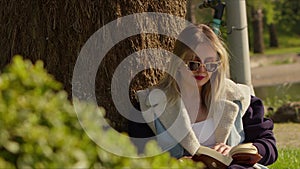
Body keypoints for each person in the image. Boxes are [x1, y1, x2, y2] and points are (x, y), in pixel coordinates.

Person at [128, 24, 277, 169]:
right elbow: (138, 156)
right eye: (194, 64)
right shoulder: (149, 105)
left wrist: (248, 151)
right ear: (178, 63)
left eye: (210, 64)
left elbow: (269, 145)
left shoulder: (239, 98)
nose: (202, 70)